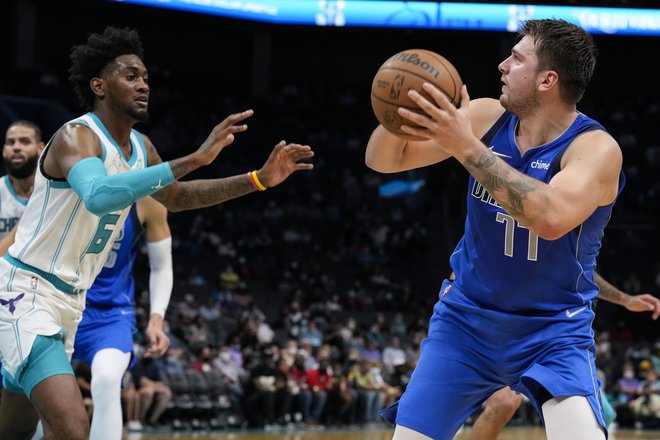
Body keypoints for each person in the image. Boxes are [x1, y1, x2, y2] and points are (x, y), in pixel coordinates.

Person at [0, 26, 313, 440]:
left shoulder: (141, 148)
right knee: (72, 427)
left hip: (71, 301)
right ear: (99, 86)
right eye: (130, 76)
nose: (143, 84)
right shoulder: (77, 136)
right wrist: (196, 158)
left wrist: (257, 179)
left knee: (17, 427)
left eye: (145, 77)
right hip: (27, 289)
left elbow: (178, 198)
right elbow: (97, 195)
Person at [366, 19, 623, 440]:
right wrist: (400, 116)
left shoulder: (594, 149)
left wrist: (464, 146)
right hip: (465, 323)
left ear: (547, 80)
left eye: (517, 58)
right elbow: (383, 160)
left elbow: (550, 218)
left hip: (552, 330)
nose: (503, 65)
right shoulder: (487, 115)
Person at [467, 272, 660, 439]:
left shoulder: (570, 249)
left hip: (556, 342)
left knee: (604, 414)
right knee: (505, 403)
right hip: (507, 334)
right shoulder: (503, 242)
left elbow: (583, 272)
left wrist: (625, 299)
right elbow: (463, 269)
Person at [71, 196, 173, 439]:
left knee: (107, 380)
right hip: (57, 304)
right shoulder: (66, 184)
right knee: (40, 396)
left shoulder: (147, 200)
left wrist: (156, 319)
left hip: (111, 314)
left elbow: (161, 266)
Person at [0, 121, 45, 253]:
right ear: (4, 150)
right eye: (10, 142)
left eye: (25, 142)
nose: (16, 147)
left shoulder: (54, 192)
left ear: (40, 148)